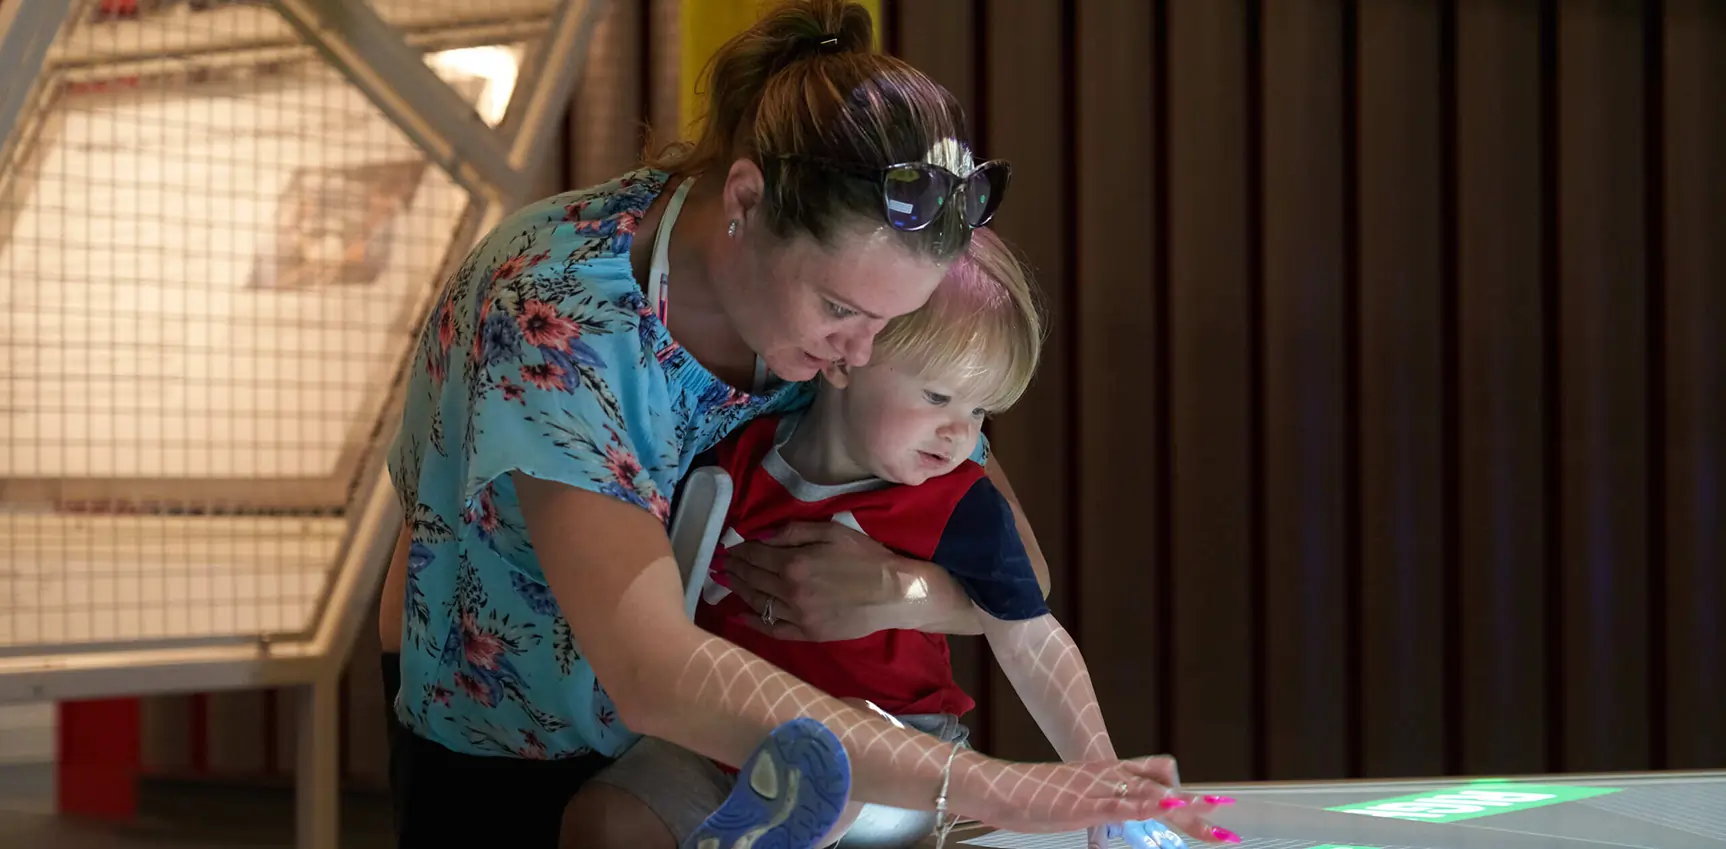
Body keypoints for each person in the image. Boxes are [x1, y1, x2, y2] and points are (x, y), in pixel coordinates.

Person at [376, 1, 1228, 846]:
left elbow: (1012, 567)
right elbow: (651, 668)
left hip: (726, 745)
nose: (859, 353)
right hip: (509, 736)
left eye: (891, 324)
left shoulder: (849, 313)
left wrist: (900, 590)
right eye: (840, 310)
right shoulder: (560, 307)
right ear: (746, 199)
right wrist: (1002, 787)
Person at [566, 230, 1242, 849]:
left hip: (899, 755)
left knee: (832, 758)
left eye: (979, 409)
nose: (962, 433)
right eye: (937, 396)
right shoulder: (730, 464)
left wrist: (1102, 781)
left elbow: (1031, 639)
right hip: (726, 741)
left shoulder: (962, 504)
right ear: (844, 359)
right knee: (605, 818)